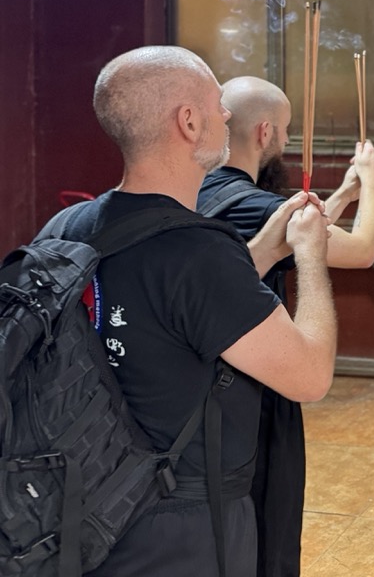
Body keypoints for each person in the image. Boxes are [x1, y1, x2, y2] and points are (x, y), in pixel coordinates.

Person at [42, 46, 337, 577]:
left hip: (78, 505)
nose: (226, 114)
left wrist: (264, 251)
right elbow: (310, 376)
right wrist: (310, 256)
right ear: (189, 121)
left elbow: (169, 308)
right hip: (179, 524)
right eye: (216, 103)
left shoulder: (64, 228)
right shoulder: (200, 253)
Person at [197, 76, 374, 577]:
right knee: (269, 522)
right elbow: (361, 250)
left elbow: (299, 234)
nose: (285, 140)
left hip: (202, 381)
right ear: (264, 133)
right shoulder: (254, 204)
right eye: (284, 131)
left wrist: (344, 192)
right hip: (256, 384)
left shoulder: (202, 190)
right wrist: (371, 181)